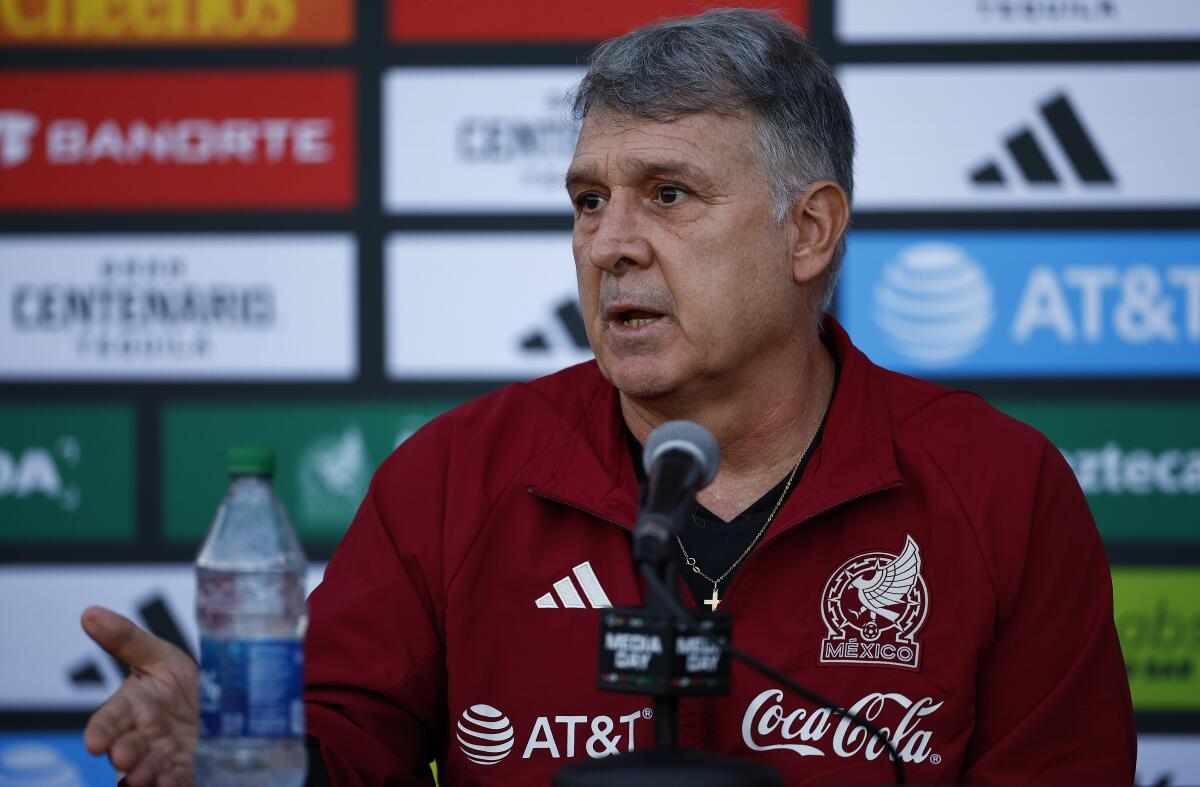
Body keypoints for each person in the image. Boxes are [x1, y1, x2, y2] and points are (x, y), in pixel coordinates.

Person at [80, 8, 1136, 785]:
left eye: (667, 195)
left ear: (808, 231)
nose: (610, 245)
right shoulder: (455, 477)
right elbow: (352, 750)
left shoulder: (997, 487)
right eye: (589, 201)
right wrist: (253, 757)